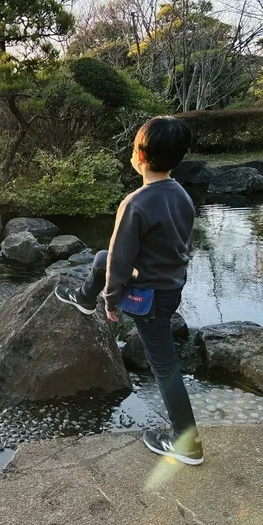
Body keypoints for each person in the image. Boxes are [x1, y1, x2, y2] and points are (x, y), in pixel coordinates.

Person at [54, 116, 203, 466]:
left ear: (139, 154)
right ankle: (83, 298)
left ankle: (187, 443)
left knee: (164, 368)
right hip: (168, 285)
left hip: (149, 296)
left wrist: (112, 298)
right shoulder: (180, 194)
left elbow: (122, 261)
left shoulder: (135, 203)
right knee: (101, 257)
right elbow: (174, 244)